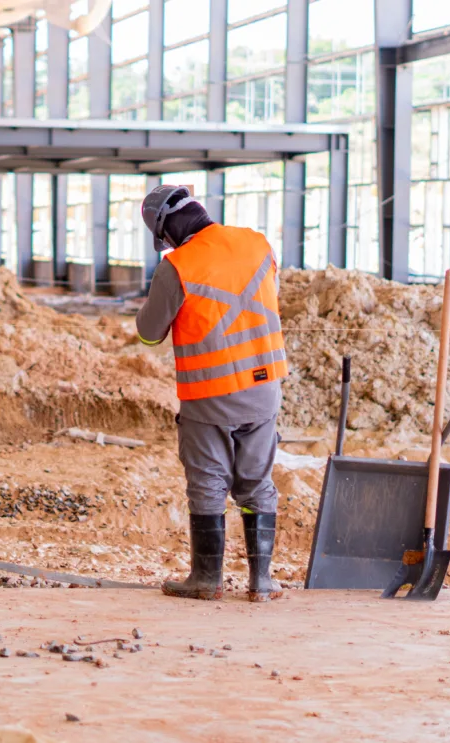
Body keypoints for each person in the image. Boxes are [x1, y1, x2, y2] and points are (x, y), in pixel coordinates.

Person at [134, 184, 286, 603]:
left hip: (209, 395)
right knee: (257, 484)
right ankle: (262, 583)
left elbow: (149, 335)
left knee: (208, 482)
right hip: (264, 389)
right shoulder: (258, 244)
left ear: (167, 230)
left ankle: (206, 580)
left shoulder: (177, 266)